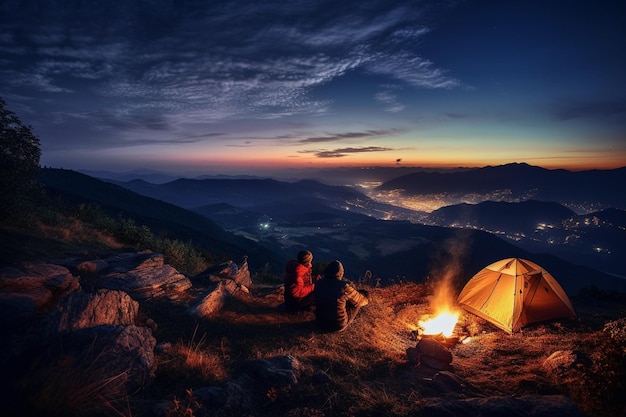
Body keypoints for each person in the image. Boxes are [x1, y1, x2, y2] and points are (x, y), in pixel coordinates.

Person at [314, 260, 369, 332]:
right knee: (357, 301)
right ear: (340, 273)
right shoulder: (343, 287)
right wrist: (367, 297)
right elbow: (361, 301)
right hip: (337, 325)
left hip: (320, 323)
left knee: (341, 300)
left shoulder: (318, 283)